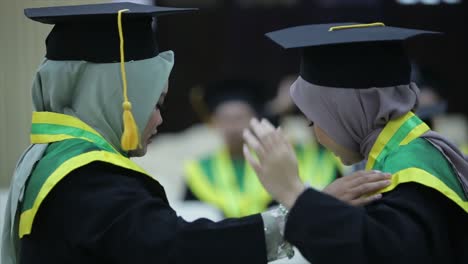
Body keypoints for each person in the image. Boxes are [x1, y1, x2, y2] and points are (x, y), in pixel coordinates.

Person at [1, 3, 287, 263]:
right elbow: (178, 247)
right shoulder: (90, 179)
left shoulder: (47, 156)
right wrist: (288, 224)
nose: (160, 119)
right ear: (114, 100)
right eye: (155, 103)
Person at [243, 22, 468, 263]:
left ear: (348, 112)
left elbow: (379, 254)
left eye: (313, 121)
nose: (317, 135)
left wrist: (294, 194)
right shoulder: (412, 148)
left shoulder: (411, 171)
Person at [184, 79, 385, 218]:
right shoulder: (200, 171)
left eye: (238, 118)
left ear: (256, 119)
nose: (233, 128)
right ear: (213, 122)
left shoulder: (286, 158)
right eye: (225, 119)